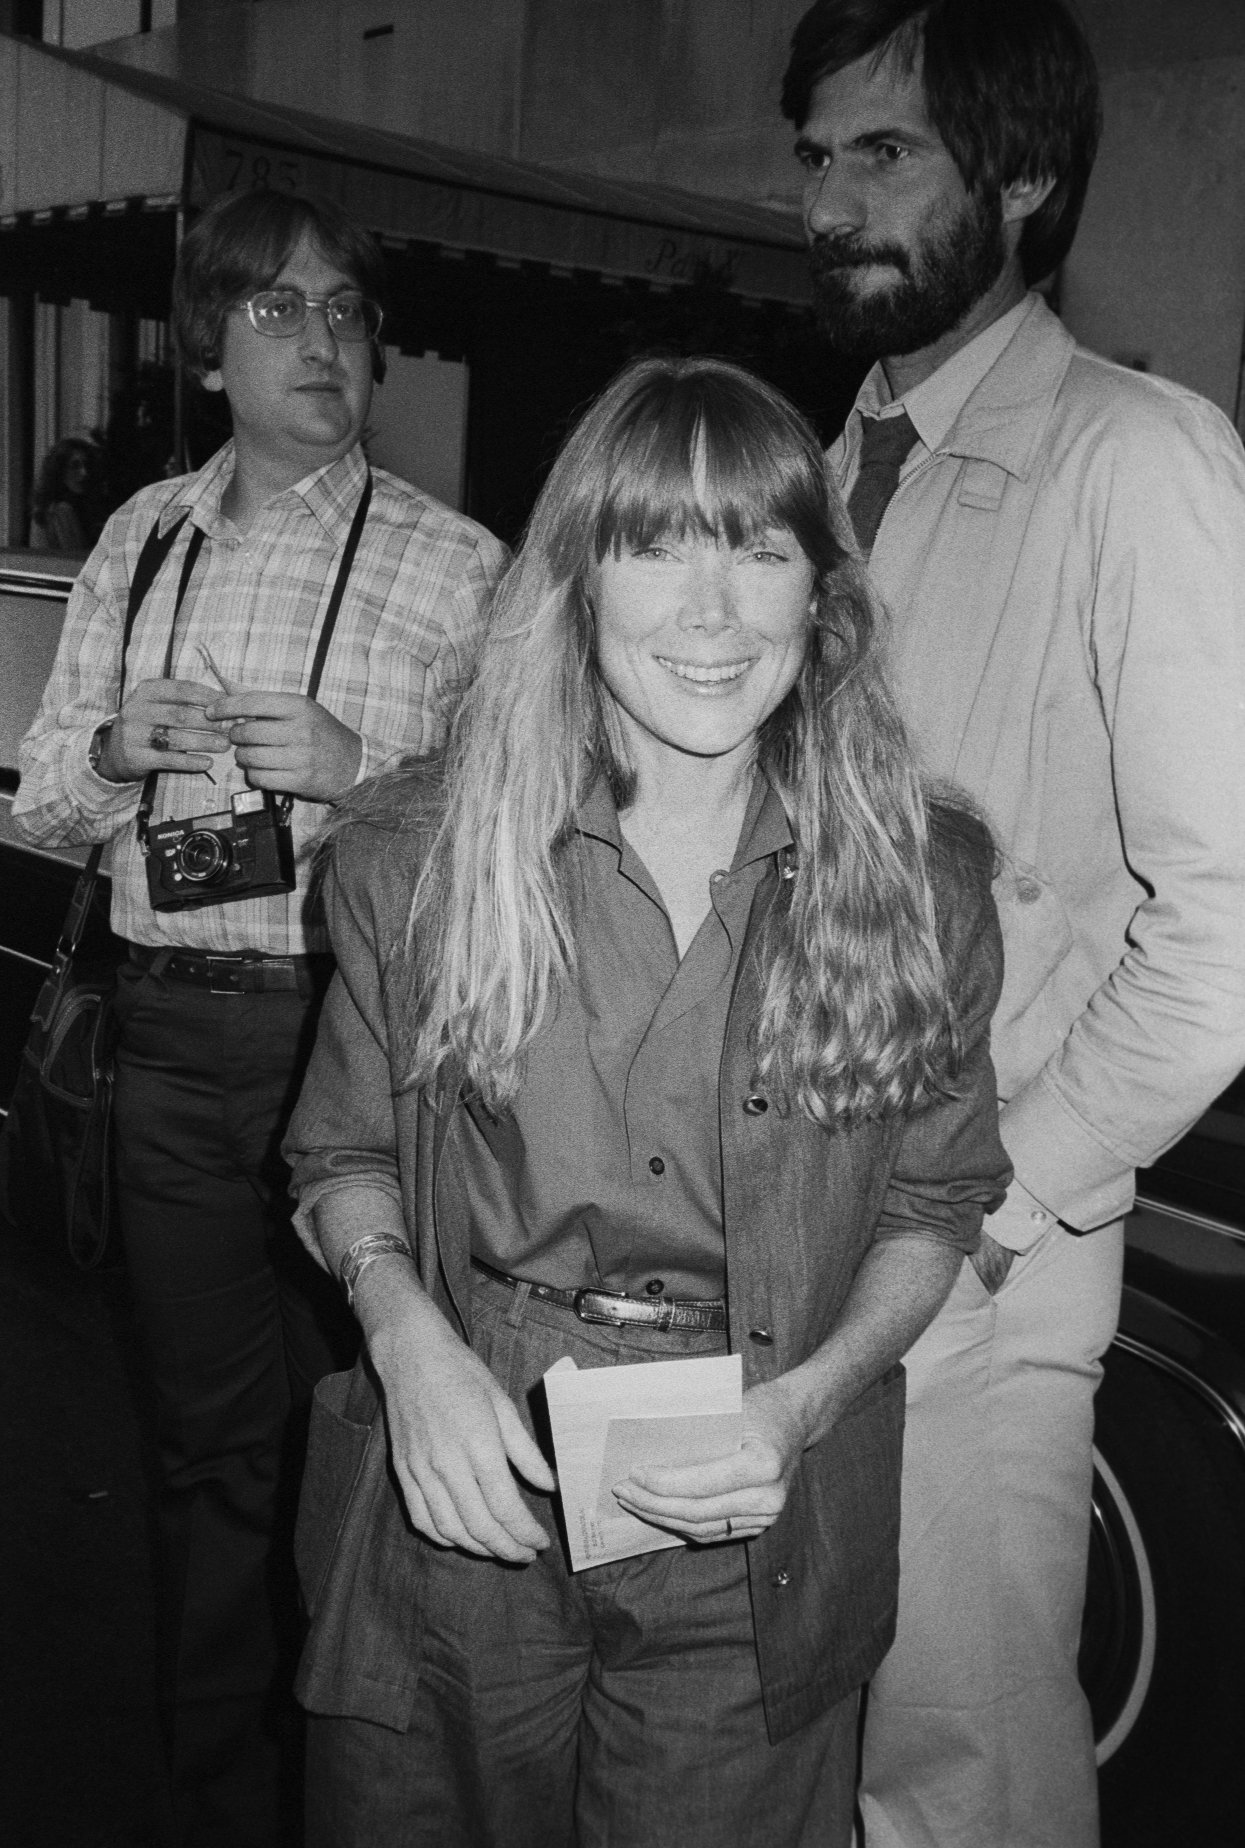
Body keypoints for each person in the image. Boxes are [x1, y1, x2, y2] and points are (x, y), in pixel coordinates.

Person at [282, 353, 1012, 1848]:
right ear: (578, 576)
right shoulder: (418, 852)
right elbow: (340, 1152)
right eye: (656, 544)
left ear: (822, 594)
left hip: (751, 1495)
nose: (710, 611)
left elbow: (937, 1199)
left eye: (756, 548)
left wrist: (805, 1402)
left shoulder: (917, 880)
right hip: (471, 1466)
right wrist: (403, 1336)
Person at [779, 3, 1245, 1844]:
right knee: (815, 1739)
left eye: (882, 153)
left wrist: (1000, 1201)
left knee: (960, 1774)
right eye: (815, 154)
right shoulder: (826, 474)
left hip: (971, 1254)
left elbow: (1223, 939)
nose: (827, 201)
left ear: (1028, 176)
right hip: (792, 1224)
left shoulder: (1141, 462)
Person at [13, 189, 506, 1847]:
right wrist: (111, 755)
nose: (326, 342)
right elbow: (38, 801)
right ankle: (224, 1793)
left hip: (360, 1041)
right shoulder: (140, 535)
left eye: (347, 312)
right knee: (207, 1449)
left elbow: (537, 835)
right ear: (210, 346)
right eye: (282, 311)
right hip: (167, 1034)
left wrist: (366, 774)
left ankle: (361, 1779)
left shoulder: (456, 564)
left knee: (363, 1430)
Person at [29, 435, 103, 552]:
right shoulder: (60, 510)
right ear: (59, 470)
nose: (84, 473)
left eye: (86, 465)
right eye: (75, 466)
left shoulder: (70, 504)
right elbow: (75, 558)